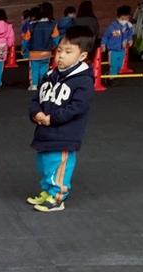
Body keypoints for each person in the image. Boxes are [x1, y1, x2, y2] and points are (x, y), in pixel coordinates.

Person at [27, 26, 95, 212]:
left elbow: (77, 107)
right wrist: (36, 113)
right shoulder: (49, 76)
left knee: (59, 165)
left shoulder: (83, 81)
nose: (61, 56)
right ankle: (47, 191)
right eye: (59, 51)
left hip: (65, 135)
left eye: (68, 52)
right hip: (44, 132)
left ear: (82, 56)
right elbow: (36, 99)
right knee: (45, 164)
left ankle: (57, 197)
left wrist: (53, 118)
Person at [24, 2, 58, 91]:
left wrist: (25, 48)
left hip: (34, 52)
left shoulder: (32, 25)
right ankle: (43, 84)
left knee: (34, 69)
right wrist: (53, 46)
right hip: (47, 52)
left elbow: (26, 39)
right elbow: (56, 38)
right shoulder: (53, 24)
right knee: (44, 68)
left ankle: (34, 85)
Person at [101, 5, 134, 76]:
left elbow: (130, 34)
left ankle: (113, 73)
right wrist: (103, 44)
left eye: (127, 18)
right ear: (117, 18)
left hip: (122, 50)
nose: (124, 21)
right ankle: (111, 77)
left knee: (120, 65)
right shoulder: (112, 27)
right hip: (113, 50)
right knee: (113, 65)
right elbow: (105, 36)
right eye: (122, 19)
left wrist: (130, 40)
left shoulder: (128, 27)